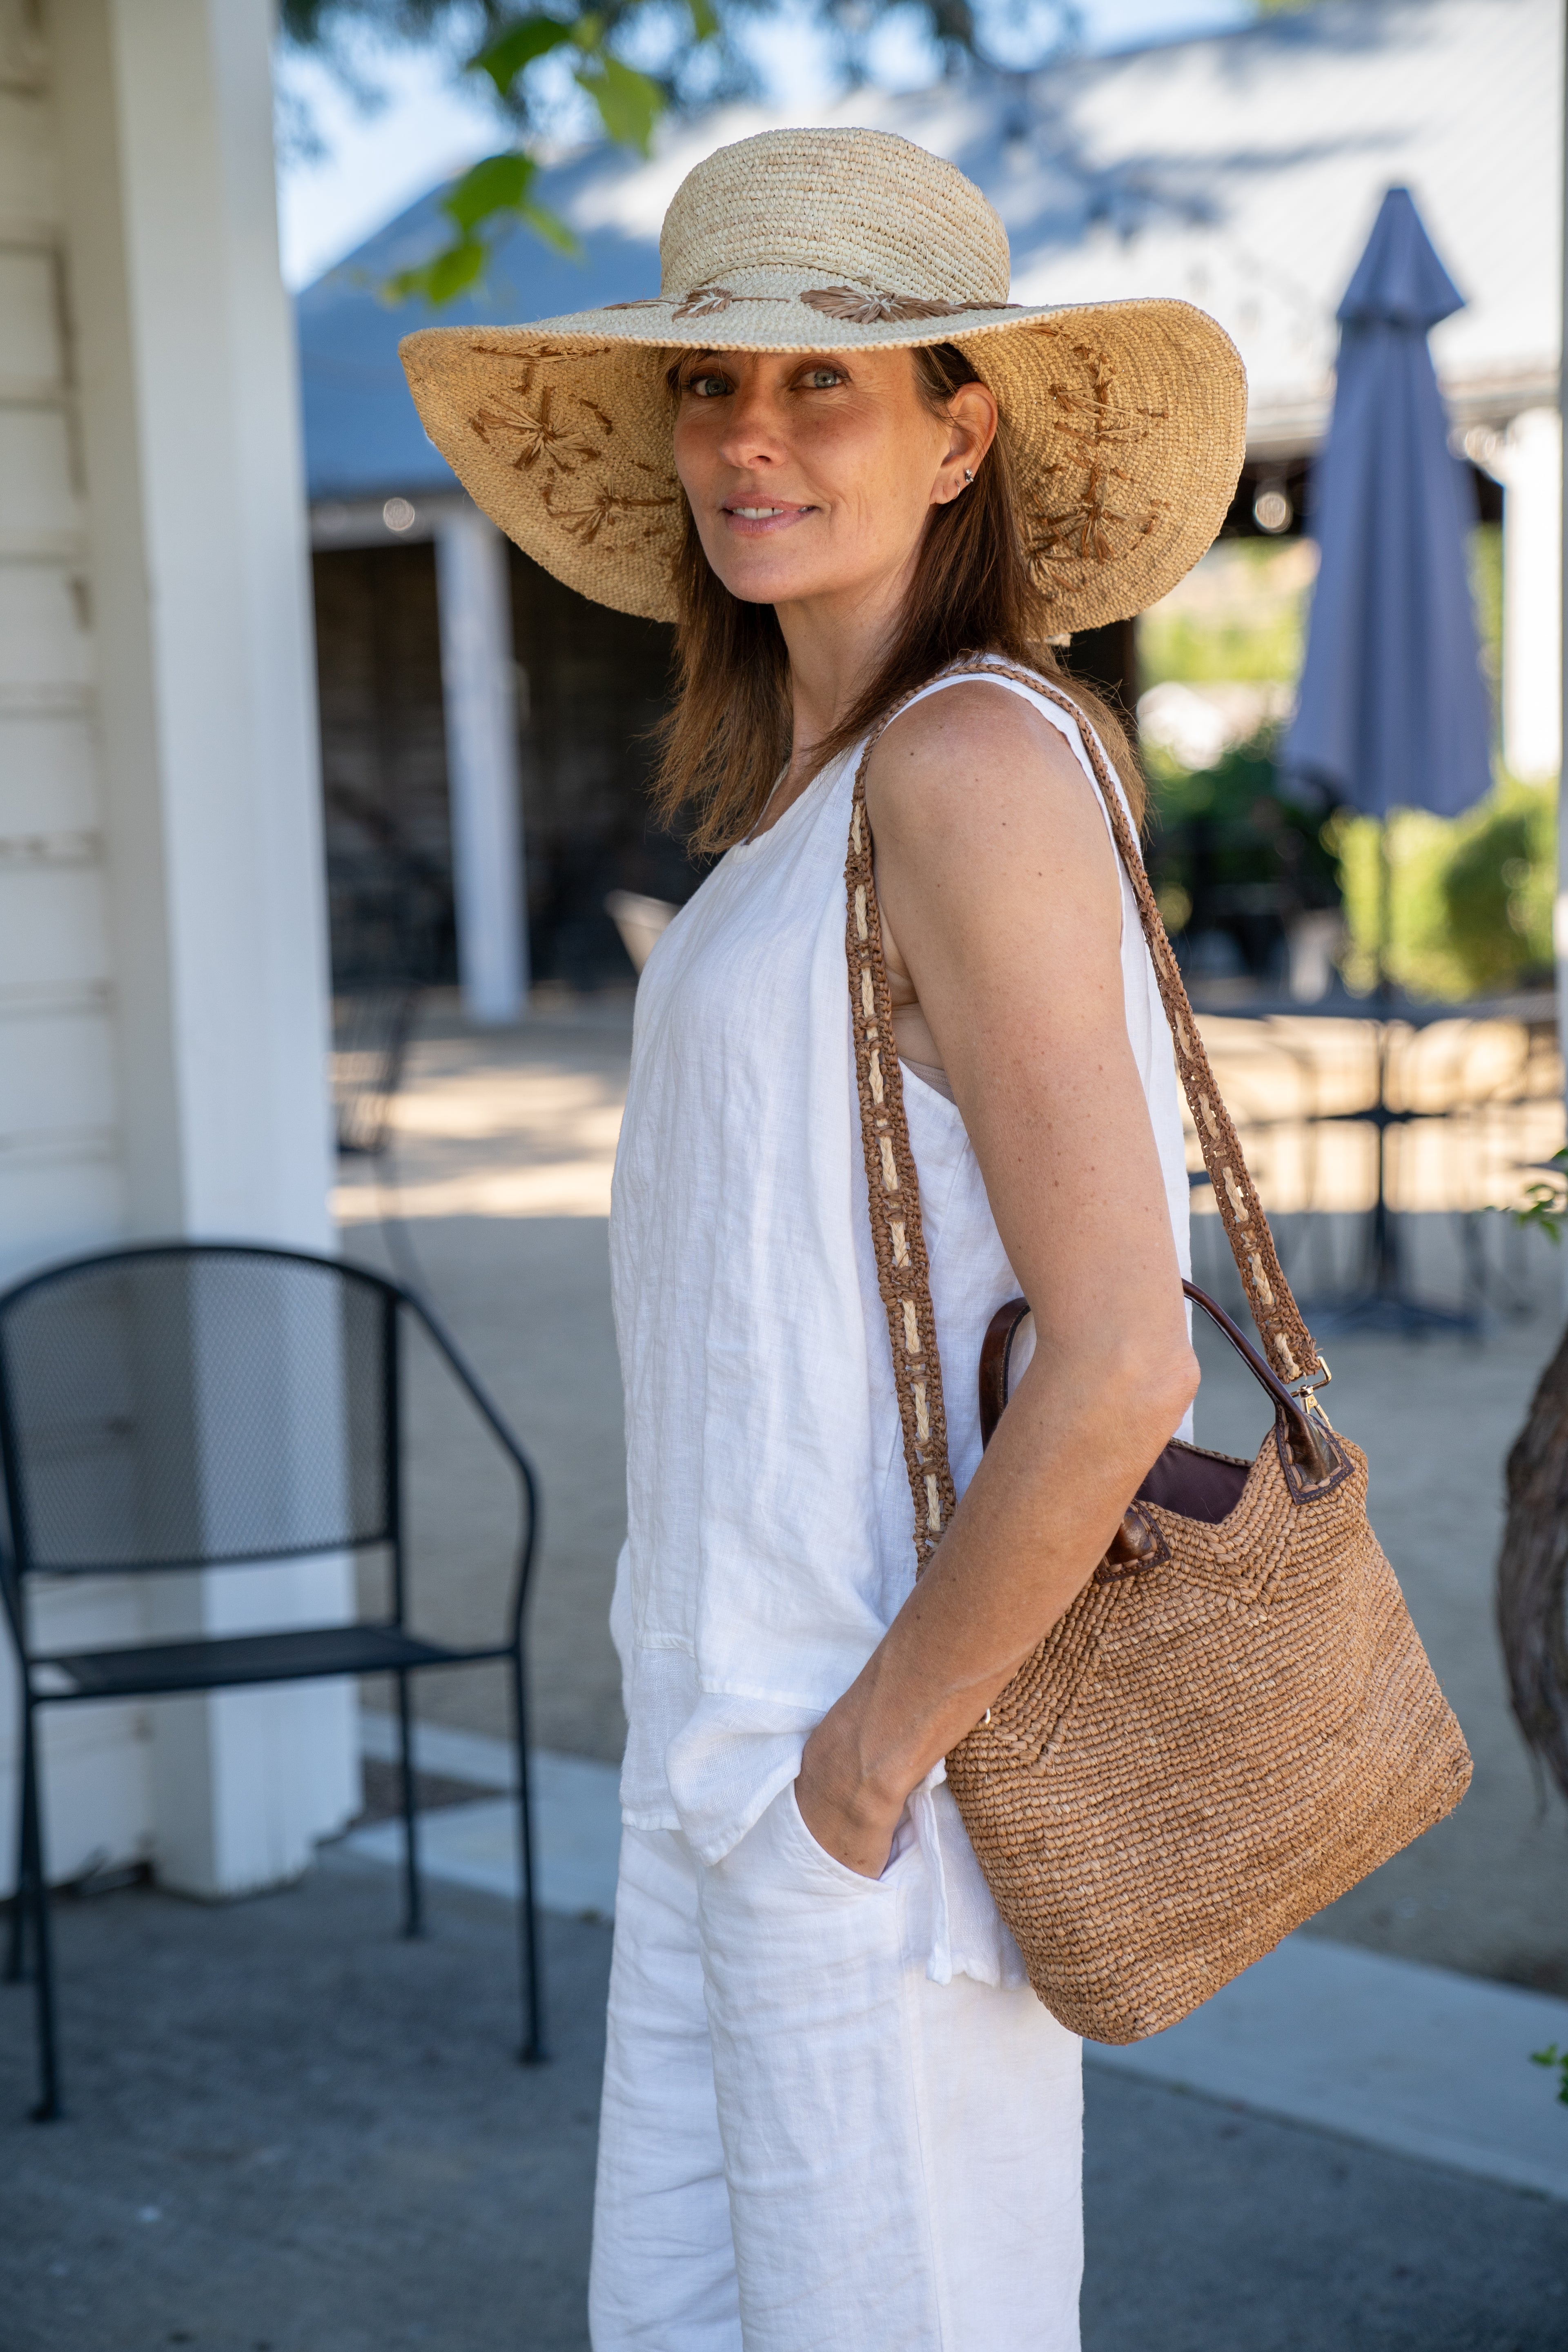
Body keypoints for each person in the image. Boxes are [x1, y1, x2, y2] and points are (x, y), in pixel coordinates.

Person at [403, 125, 1246, 2352]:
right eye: (709, 385)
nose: (747, 434)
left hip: (867, 1792)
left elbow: (1124, 1358)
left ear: (960, 434)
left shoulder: (969, 765)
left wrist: (861, 1775)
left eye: (825, 383)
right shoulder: (807, 785)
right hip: (735, 1762)